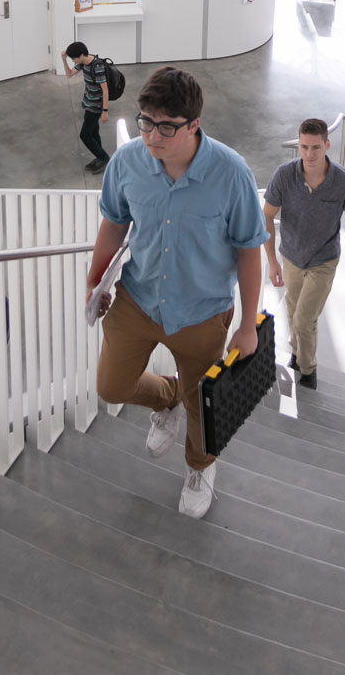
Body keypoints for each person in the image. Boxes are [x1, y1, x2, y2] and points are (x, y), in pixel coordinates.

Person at [87, 67, 267, 519]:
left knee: (201, 403)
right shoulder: (127, 162)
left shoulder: (231, 174)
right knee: (111, 387)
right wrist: (96, 280)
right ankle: (165, 398)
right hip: (137, 297)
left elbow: (249, 251)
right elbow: (114, 222)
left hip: (203, 311)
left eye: (166, 127)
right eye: (145, 121)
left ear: (194, 125)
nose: (151, 136)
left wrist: (247, 325)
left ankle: (201, 465)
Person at [262, 119, 345, 391]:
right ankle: (297, 356)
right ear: (298, 145)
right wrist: (273, 260)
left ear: (327, 145)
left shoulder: (343, 182)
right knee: (292, 312)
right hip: (290, 257)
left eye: (316, 147)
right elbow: (266, 217)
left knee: (303, 319)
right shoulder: (284, 176)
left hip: (323, 262)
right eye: (304, 147)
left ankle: (308, 370)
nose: (309, 154)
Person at [61, 41, 113, 174]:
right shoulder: (83, 63)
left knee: (84, 135)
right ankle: (99, 157)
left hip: (96, 106)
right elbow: (69, 74)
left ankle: (103, 157)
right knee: (94, 132)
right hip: (88, 103)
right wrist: (64, 60)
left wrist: (105, 111)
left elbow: (105, 90)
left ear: (82, 55)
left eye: (74, 58)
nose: (74, 61)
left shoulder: (97, 67)